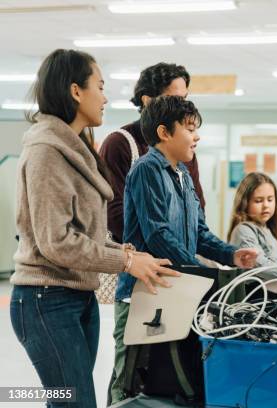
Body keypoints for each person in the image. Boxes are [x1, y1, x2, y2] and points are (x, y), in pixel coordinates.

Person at [9, 49, 179, 408]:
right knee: (74, 402)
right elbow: (56, 242)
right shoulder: (46, 151)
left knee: (70, 400)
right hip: (45, 299)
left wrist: (126, 253)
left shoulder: (78, 147)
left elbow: (84, 233)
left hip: (76, 294)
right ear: (75, 91)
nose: (105, 97)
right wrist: (126, 264)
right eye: (99, 86)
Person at [111, 95, 258, 404]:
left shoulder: (183, 176)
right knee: (130, 378)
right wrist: (198, 272)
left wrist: (230, 254)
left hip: (177, 290)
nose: (197, 136)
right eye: (190, 128)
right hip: (143, 294)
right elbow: (158, 234)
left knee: (170, 378)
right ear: (165, 133)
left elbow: (199, 233)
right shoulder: (146, 170)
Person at [99, 62, 205, 244]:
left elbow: (197, 208)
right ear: (147, 101)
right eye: (175, 99)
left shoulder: (184, 151)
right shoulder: (119, 144)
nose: (183, 106)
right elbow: (113, 212)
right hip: (136, 259)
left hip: (176, 258)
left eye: (185, 99)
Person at [228, 172, 277, 291]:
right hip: (252, 300)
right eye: (258, 201)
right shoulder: (243, 230)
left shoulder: (270, 230)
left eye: (270, 199)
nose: (266, 205)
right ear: (245, 203)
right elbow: (259, 264)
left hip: (271, 301)